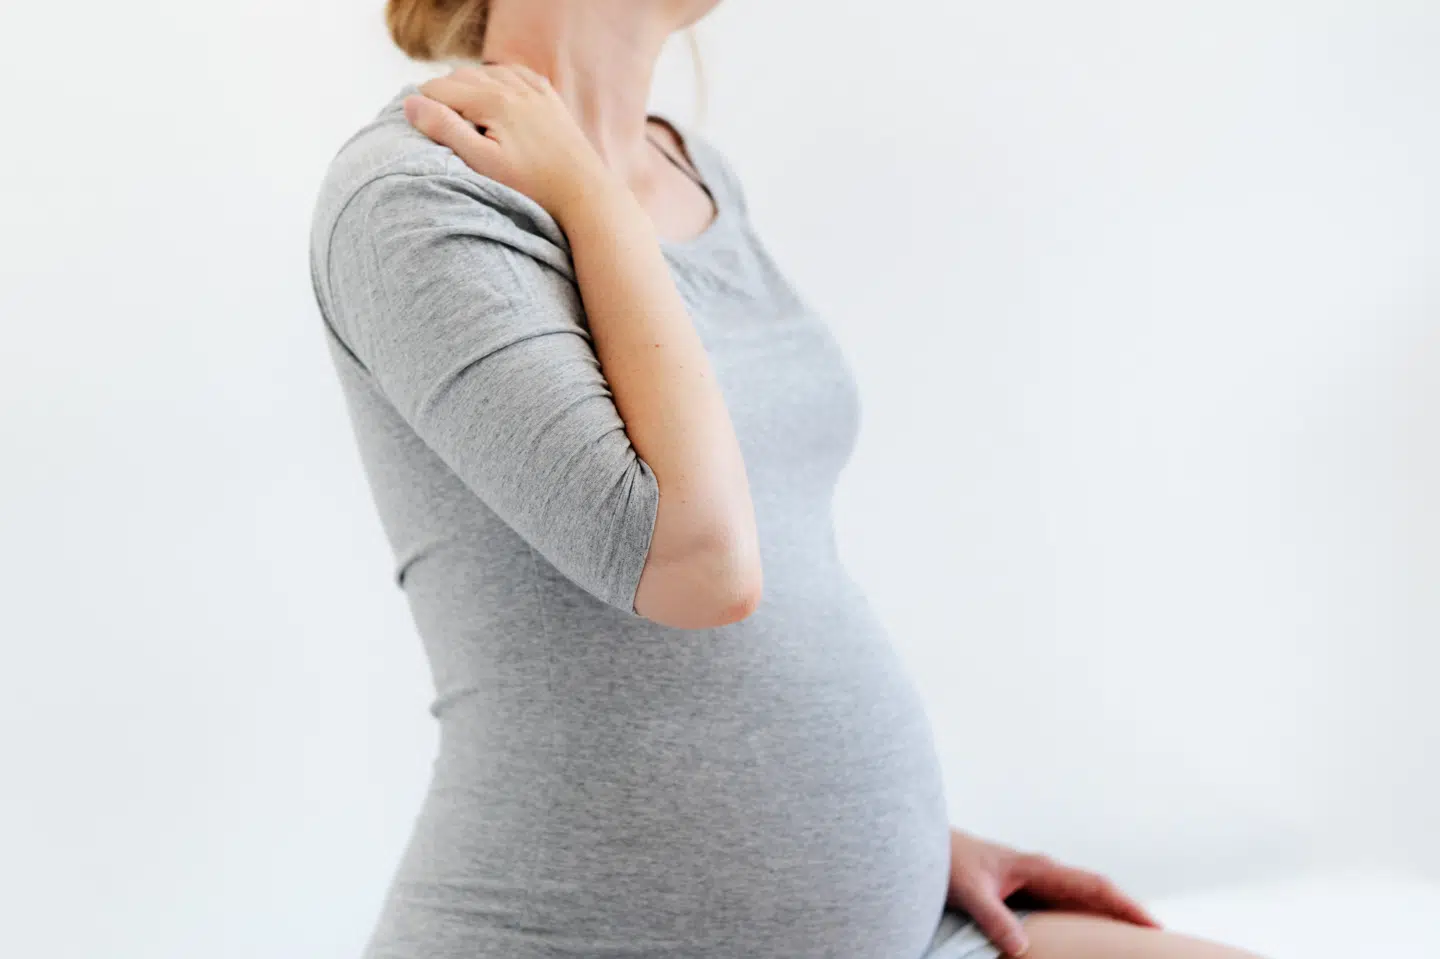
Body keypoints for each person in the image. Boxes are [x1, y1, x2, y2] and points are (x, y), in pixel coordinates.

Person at [307, 2, 1266, 957]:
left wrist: (896, 839)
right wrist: (588, 195)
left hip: (899, 923)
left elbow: (778, 572)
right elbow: (700, 566)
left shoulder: (688, 169)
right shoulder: (415, 193)